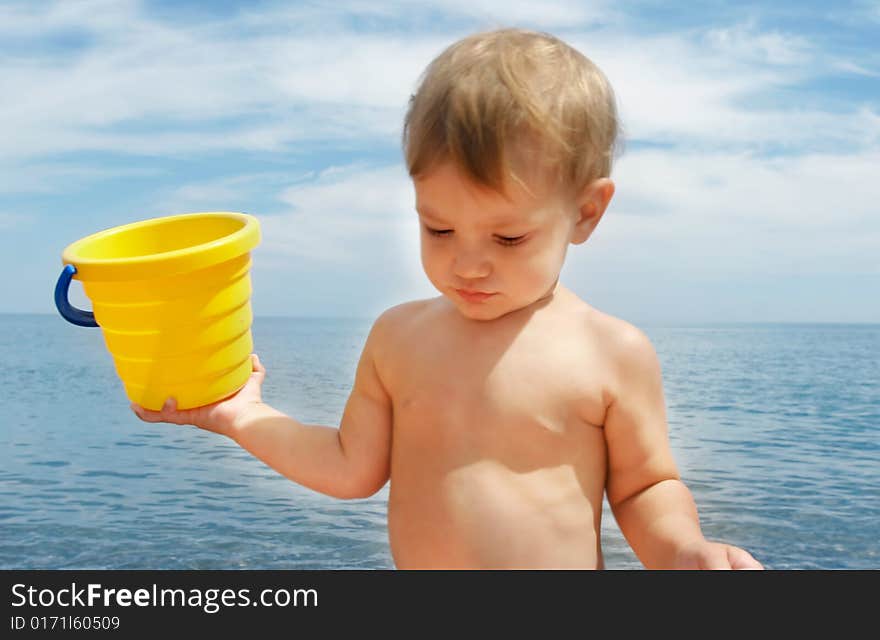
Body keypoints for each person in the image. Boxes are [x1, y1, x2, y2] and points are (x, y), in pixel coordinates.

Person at [131, 28, 763, 570]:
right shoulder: (399, 338)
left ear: (587, 212)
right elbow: (351, 468)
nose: (467, 263)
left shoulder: (611, 351)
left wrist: (684, 549)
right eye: (437, 229)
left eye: (509, 236)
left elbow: (644, 486)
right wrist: (240, 415)